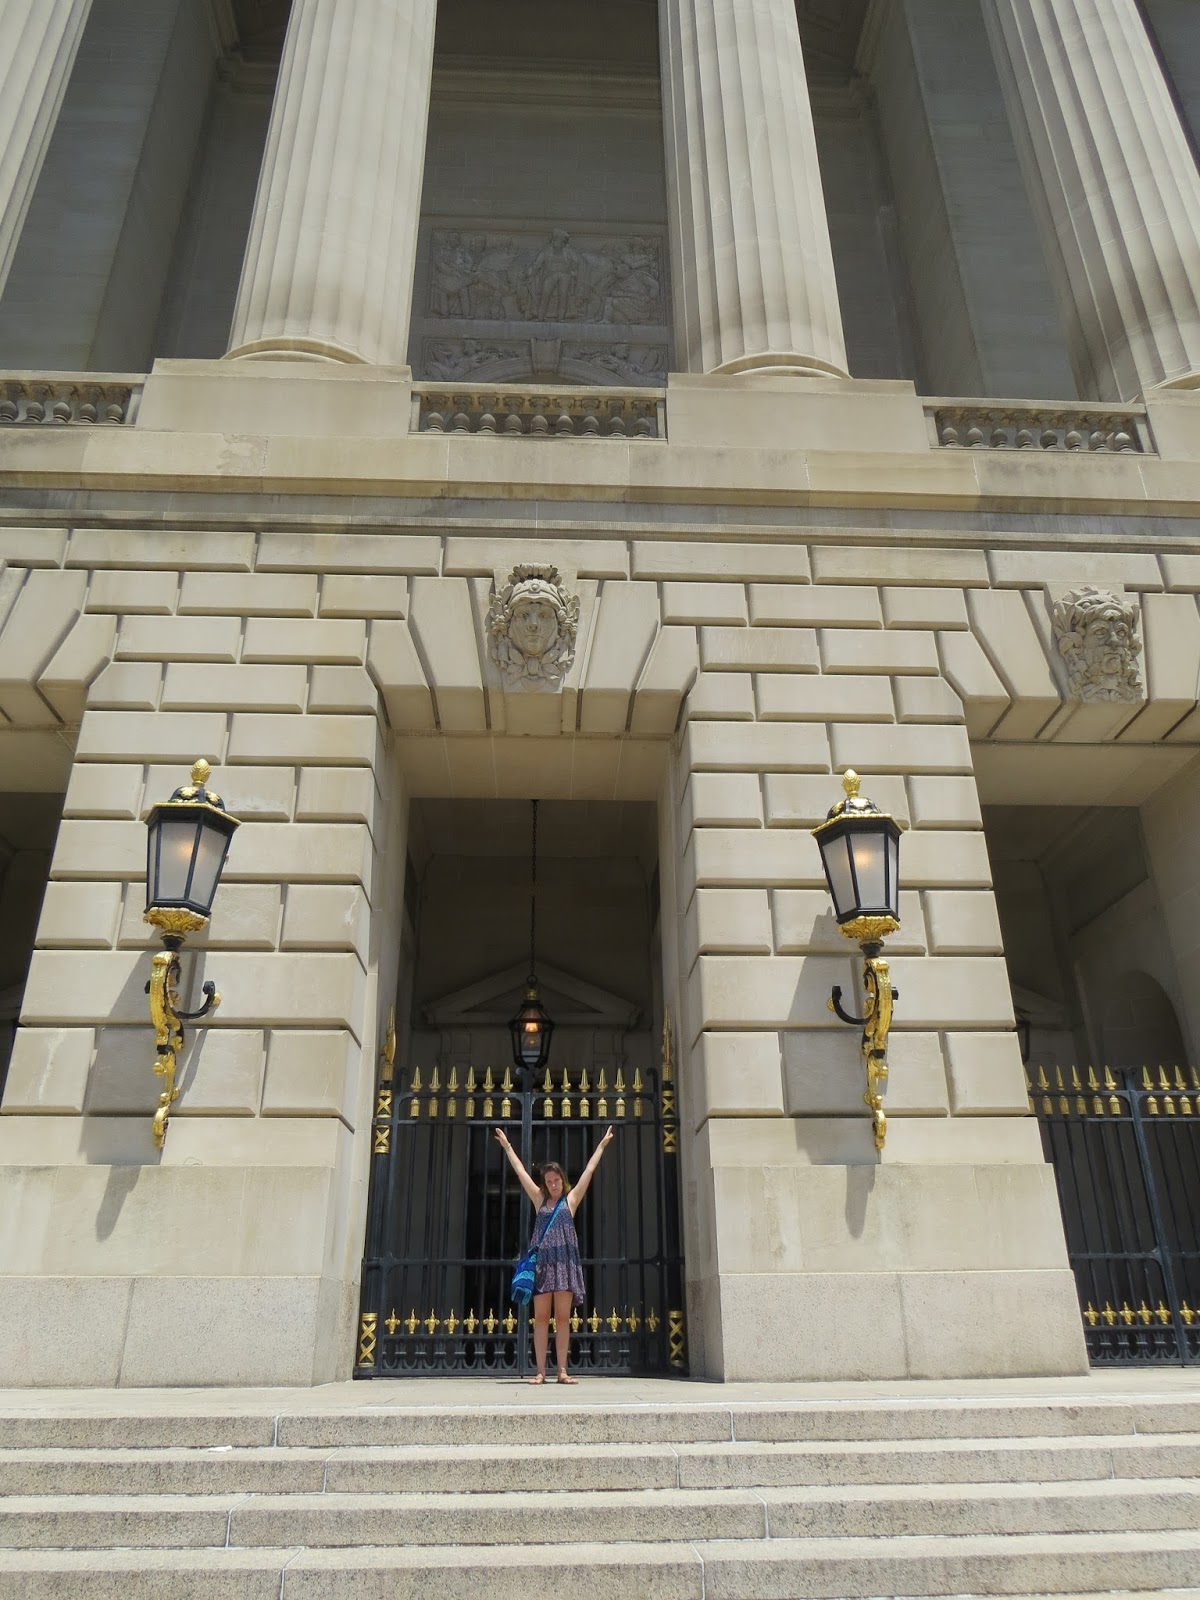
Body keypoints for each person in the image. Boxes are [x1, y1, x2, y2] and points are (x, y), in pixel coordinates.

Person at [494, 1124, 614, 1384]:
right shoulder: (539, 1200)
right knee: (540, 1319)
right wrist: (507, 1146)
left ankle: (562, 1371)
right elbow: (521, 1172)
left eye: (556, 1180)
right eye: (549, 1181)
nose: (553, 1184)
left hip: (564, 1265)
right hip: (543, 1266)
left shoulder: (571, 1201)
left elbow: (589, 1170)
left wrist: (601, 1146)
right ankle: (540, 1371)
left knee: (562, 1319)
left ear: (562, 1179)